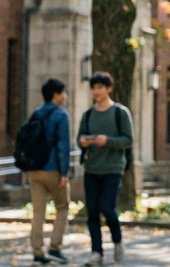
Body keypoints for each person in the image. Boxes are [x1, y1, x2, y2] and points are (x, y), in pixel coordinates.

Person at [78, 72, 134, 266]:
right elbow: (80, 138)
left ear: (109, 89)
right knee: (92, 211)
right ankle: (96, 252)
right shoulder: (87, 115)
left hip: (113, 168)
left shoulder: (120, 113)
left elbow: (128, 140)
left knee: (107, 207)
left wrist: (108, 141)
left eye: (100, 87)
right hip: (92, 168)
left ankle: (117, 241)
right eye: (94, 87)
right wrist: (84, 143)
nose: (96, 91)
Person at [28, 79, 71, 264]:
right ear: (56, 94)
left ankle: (37, 252)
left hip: (34, 169)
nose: (65, 96)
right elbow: (63, 145)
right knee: (62, 206)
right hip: (53, 168)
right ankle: (55, 247)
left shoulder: (35, 113)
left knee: (38, 212)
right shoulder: (61, 115)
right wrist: (64, 172)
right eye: (63, 92)